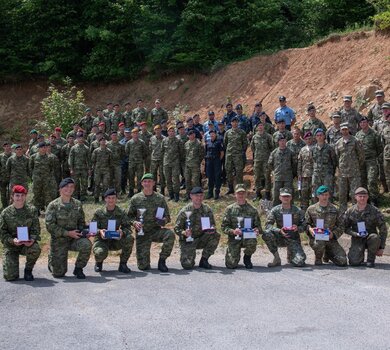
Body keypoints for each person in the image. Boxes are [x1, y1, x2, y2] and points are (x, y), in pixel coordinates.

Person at [45, 178, 92, 279]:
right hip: (59, 241)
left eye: (71, 187)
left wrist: (86, 231)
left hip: (74, 239)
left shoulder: (78, 204)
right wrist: (67, 233)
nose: (69, 189)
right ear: (60, 189)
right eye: (66, 187)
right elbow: (50, 226)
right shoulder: (53, 205)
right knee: (58, 274)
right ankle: (51, 258)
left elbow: (81, 224)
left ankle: (78, 268)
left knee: (86, 244)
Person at [128, 173, 174, 272]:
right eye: (145, 181)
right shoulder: (135, 199)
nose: (147, 183)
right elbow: (128, 217)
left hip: (156, 231)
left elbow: (167, 217)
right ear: (141, 183)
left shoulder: (160, 198)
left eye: (149, 181)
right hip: (142, 233)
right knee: (143, 267)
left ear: (153, 183)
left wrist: (162, 221)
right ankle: (144, 261)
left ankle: (162, 261)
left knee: (170, 234)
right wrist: (134, 222)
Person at [0, 185, 41, 281]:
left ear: (25, 196)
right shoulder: (5, 213)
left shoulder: (32, 210)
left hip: (26, 244)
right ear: (12, 197)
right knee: (10, 277)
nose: (20, 198)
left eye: (22, 195)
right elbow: (3, 233)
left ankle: (28, 270)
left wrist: (32, 239)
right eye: (17, 195)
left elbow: (36, 229)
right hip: (11, 245)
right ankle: (13, 267)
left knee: (35, 248)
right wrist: (12, 240)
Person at [174, 186, 220, 269]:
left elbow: (212, 224)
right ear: (191, 196)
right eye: (196, 195)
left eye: (201, 195)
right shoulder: (185, 211)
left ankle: (204, 260)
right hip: (188, 240)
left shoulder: (207, 209)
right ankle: (190, 256)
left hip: (202, 238)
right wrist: (184, 233)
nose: (199, 198)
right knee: (187, 265)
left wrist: (212, 228)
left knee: (215, 235)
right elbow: (176, 228)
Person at [344, 187, 387, 268]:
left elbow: (383, 229)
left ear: (368, 197)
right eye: (360, 196)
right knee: (354, 262)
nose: (362, 198)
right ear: (355, 197)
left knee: (375, 237)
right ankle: (359, 255)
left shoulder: (375, 211)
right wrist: (355, 234)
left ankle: (370, 260)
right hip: (357, 238)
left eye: (364, 196)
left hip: (371, 239)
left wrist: (381, 247)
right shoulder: (350, 211)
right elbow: (345, 228)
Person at [92, 189, 134, 273]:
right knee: (100, 252)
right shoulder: (98, 212)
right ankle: (99, 263)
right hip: (102, 240)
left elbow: (128, 228)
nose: (111, 200)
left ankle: (123, 264)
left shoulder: (121, 212)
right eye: (109, 198)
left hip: (116, 240)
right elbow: (92, 229)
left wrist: (122, 232)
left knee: (130, 238)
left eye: (113, 198)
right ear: (105, 199)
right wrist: (100, 231)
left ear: (116, 199)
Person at [263, 188, 306, 267]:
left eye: (287, 196)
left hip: (293, 238)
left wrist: (298, 228)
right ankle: (276, 258)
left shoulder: (297, 210)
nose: (286, 198)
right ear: (280, 198)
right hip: (280, 237)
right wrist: (279, 230)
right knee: (266, 233)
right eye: (283, 196)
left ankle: (291, 255)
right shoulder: (275, 210)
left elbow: (304, 225)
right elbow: (268, 225)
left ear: (291, 197)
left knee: (300, 262)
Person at [305, 185, 347, 266]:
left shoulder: (335, 209)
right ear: (317, 196)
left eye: (326, 194)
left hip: (330, 238)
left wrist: (333, 234)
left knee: (343, 261)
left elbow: (341, 226)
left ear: (329, 195)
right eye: (322, 195)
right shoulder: (311, 209)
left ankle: (327, 253)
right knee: (320, 242)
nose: (324, 197)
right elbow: (306, 224)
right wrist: (310, 229)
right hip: (317, 238)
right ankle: (318, 258)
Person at [221, 184, 261, 269]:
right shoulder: (230, 209)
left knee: (252, 241)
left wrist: (256, 230)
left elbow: (258, 227)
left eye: (243, 193)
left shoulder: (252, 210)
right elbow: (224, 227)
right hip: (234, 237)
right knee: (231, 265)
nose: (241, 195)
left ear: (246, 194)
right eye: (239, 193)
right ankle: (233, 256)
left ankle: (247, 257)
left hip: (248, 235)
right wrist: (233, 231)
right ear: (235, 194)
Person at [334, 122, 364, 212]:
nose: (344, 131)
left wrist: (356, 165)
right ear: (340, 130)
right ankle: (343, 213)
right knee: (342, 194)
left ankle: (356, 211)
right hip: (342, 173)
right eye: (343, 129)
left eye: (346, 129)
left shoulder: (356, 141)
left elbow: (361, 156)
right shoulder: (338, 143)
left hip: (354, 172)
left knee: (355, 193)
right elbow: (336, 157)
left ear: (348, 129)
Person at [355, 117, 382, 205]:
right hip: (361, 161)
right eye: (361, 122)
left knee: (371, 179)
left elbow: (379, 148)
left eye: (364, 122)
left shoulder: (374, 133)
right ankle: (365, 199)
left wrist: (374, 157)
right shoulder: (357, 135)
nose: (363, 124)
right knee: (363, 180)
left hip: (371, 160)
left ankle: (374, 199)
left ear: (367, 123)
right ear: (359, 124)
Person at [268, 134, 295, 206]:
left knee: (289, 195)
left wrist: (292, 174)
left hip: (288, 177)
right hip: (277, 177)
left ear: (286, 141)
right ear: (278, 142)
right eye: (281, 141)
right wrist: (274, 172)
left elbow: (294, 164)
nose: (282, 142)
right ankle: (275, 211)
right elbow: (270, 164)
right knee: (276, 196)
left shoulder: (290, 152)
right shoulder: (274, 152)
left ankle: (290, 210)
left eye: (283, 140)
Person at [224, 116, 248, 194]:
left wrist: (240, 151)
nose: (235, 123)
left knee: (239, 172)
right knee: (228, 171)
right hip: (229, 155)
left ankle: (239, 188)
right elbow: (225, 143)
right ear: (231, 123)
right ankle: (230, 188)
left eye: (236, 122)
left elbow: (245, 143)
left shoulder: (242, 132)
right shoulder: (227, 132)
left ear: (238, 123)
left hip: (238, 155)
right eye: (233, 122)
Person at [311, 128, 337, 200]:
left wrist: (331, 172)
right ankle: (316, 209)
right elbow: (312, 160)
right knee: (316, 193)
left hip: (327, 174)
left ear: (324, 136)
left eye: (321, 135)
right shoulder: (313, 149)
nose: (319, 137)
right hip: (316, 174)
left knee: (328, 192)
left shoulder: (329, 148)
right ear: (315, 137)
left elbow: (334, 161)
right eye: (318, 135)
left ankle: (329, 209)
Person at [250, 121, 273, 200]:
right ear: (257, 128)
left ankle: (267, 194)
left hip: (266, 160)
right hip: (257, 160)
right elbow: (252, 148)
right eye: (259, 125)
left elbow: (272, 147)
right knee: (257, 177)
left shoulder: (268, 136)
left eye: (261, 125)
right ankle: (258, 193)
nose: (260, 127)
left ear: (264, 127)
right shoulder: (254, 137)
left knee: (267, 177)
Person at [29, 142, 55, 212]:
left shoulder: (50, 158)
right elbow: (30, 167)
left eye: (45, 147)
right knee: (36, 195)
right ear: (39, 149)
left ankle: (48, 210)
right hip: (37, 180)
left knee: (47, 195)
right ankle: (36, 210)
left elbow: (52, 168)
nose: (44, 149)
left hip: (46, 179)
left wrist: (50, 178)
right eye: (42, 147)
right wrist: (33, 177)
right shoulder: (33, 157)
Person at [162, 125, 184, 201]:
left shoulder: (178, 141)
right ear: (167, 132)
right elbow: (162, 151)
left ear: (174, 132)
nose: (171, 133)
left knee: (176, 179)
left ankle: (176, 195)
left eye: (173, 131)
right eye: (170, 131)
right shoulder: (164, 140)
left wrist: (178, 160)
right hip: (166, 163)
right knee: (168, 179)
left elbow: (181, 152)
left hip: (175, 163)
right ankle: (171, 195)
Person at [125, 128, 148, 197]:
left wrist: (141, 158)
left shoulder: (141, 142)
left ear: (138, 134)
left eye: (136, 133)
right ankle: (131, 191)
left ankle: (139, 190)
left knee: (140, 177)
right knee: (131, 177)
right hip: (131, 162)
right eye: (134, 133)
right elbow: (127, 152)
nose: (135, 134)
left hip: (139, 163)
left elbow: (145, 151)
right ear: (131, 134)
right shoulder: (129, 143)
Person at [68, 132, 91, 201]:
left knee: (84, 183)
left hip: (84, 168)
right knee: (75, 183)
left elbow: (89, 159)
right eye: (79, 138)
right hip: (75, 169)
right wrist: (71, 168)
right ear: (77, 139)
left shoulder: (86, 148)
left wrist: (89, 169)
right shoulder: (73, 148)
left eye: (82, 138)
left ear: (83, 139)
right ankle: (75, 196)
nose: (80, 139)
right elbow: (70, 159)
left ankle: (83, 196)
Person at [91, 137, 113, 203]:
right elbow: (93, 160)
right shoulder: (96, 151)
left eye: (104, 140)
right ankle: (96, 198)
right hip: (98, 170)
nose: (103, 142)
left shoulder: (109, 151)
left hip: (106, 170)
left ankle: (104, 197)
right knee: (97, 184)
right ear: (99, 142)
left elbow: (111, 161)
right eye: (101, 141)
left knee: (105, 185)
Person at [184, 130, 204, 200]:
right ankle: (188, 195)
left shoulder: (198, 143)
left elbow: (202, 154)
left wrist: (198, 161)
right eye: (189, 135)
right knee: (187, 180)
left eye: (192, 134)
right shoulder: (186, 144)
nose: (191, 136)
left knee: (195, 181)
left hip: (195, 165)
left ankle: (197, 195)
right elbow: (185, 154)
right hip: (187, 165)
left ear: (194, 135)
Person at [204, 130, 224, 200]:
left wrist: (218, 160)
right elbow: (206, 152)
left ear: (215, 134)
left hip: (216, 161)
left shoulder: (219, 142)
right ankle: (210, 193)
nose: (212, 135)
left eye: (213, 134)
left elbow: (222, 153)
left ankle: (217, 193)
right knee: (210, 177)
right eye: (210, 134)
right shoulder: (208, 142)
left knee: (217, 176)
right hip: (209, 161)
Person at [297, 132, 314, 210]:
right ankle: (304, 213)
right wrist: (299, 174)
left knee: (314, 195)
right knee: (304, 195)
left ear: (312, 139)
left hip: (314, 175)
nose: (308, 140)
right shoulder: (302, 150)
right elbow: (300, 163)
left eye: (310, 139)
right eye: (306, 139)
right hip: (304, 176)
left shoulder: (315, 148)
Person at [150, 124, 166, 195]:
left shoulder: (164, 138)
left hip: (162, 159)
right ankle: (154, 189)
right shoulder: (152, 138)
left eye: (159, 129)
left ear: (161, 130)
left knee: (162, 174)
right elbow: (150, 148)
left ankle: (162, 190)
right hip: (154, 159)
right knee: (153, 175)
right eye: (156, 130)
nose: (158, 131)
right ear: (154, 131)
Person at [0, 142, 12, 208]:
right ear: (3, 147)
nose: (7, 147)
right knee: (3, 193)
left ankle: (10, 207)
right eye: (6, 146)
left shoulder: (13, 155)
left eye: (8, 146)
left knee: (10, 193)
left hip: (11, 177)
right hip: (3, 178)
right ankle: (4, 206)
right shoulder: (1, 156)